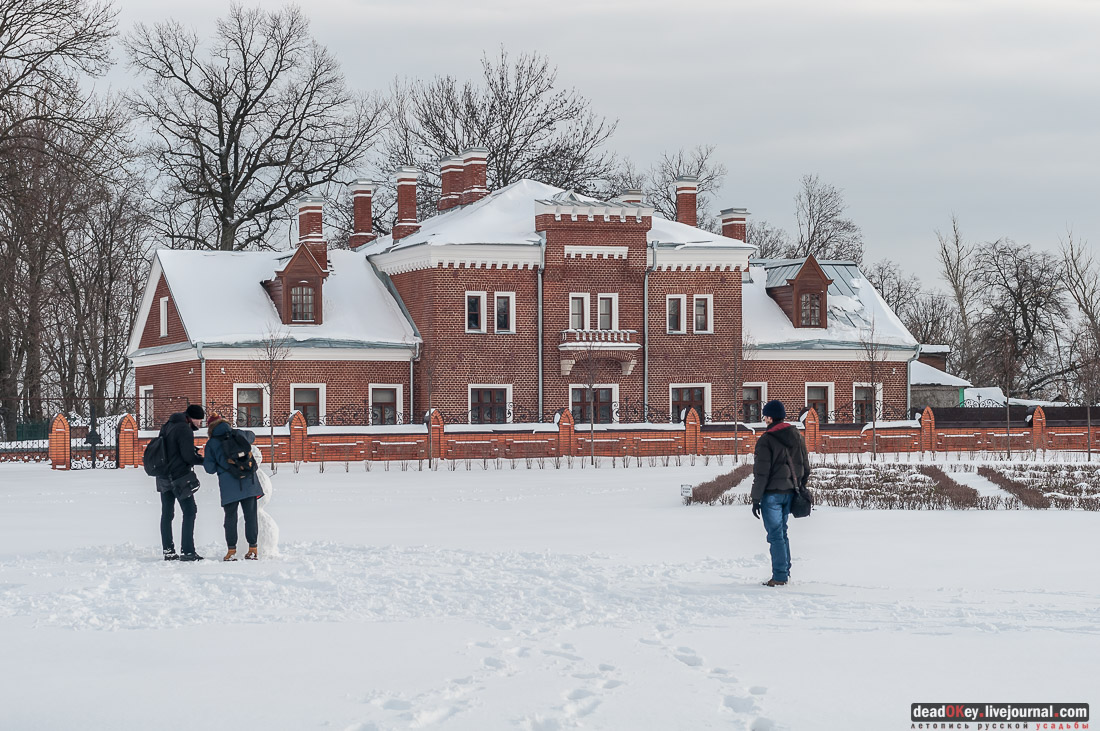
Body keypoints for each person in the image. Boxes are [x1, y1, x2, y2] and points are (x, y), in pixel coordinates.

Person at [750, 399, 810, 587]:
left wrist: (756, 498)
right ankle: (785, 571)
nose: (764, 419)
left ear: (769, 417)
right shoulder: (797, 436)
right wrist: (799, 486)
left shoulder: (766, 440)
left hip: (772, 495)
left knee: (775, 535)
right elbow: (806, 467)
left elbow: (761, 473)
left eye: (765, 416)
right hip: (790, 492)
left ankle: (780, 577)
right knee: (782, 533)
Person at [203, 413, 263, 561]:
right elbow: (253, 436)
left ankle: (231, 551)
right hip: (249, 481)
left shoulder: (212, 443)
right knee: (251, 516)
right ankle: (253, 549)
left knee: (230, 518)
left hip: (229, 486)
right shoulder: (238, 433)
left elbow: (209, 469)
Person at [157, 404, 206, 561]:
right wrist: (204, 460)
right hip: (179, 478)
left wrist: (192, 449)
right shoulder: (185, 429)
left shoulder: (168, 425)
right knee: (190, 511)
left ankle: (168, 551)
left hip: (163, 476)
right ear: (192, 418)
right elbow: (187, 457)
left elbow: (170, 449)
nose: (200, 424)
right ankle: (188, 551)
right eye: (199, 420)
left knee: (167, 514)